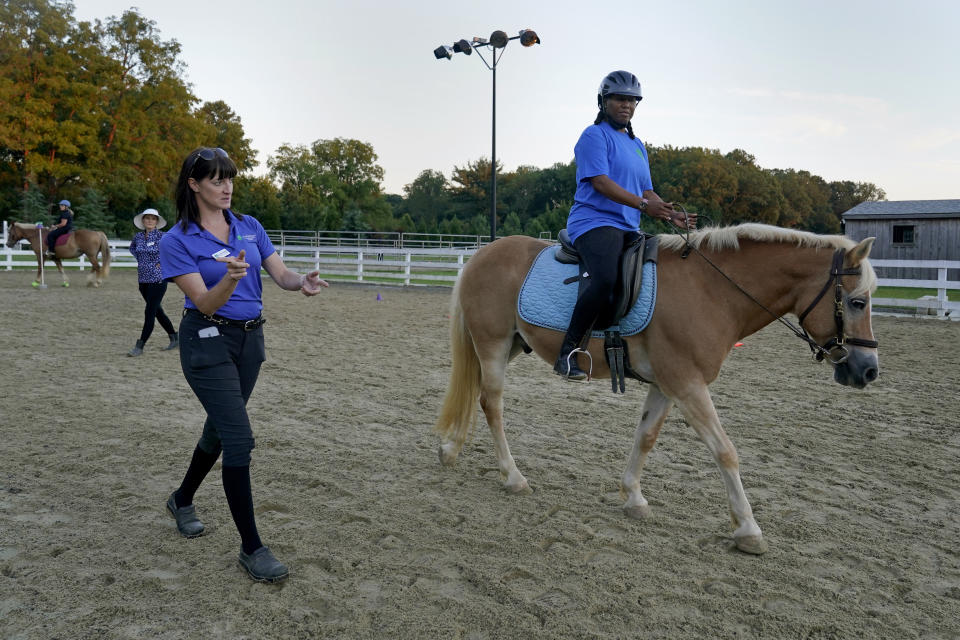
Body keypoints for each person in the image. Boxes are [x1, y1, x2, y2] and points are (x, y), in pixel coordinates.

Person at [159, 146, 329, 583]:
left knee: (218, 429)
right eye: (216, 180)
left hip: (250, 341)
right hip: (206, 341)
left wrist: (300, 283)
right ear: (194, 185)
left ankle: (181, 499)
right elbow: (203, 301)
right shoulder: (176, 240)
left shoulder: (249, 227)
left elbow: (281, 274)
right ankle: (252, 548)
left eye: (230, 178)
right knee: (239, 439)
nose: (227, 187)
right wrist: (230, 281)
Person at [555, 70, 697, 380]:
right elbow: (602, 183)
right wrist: (646, 206)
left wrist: (669, 213)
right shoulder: (594, 136)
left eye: (633, 100)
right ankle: (567, 353)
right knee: (604, 279)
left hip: (628, 226)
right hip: (594, 222)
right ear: (604, 102)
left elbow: (646, 190)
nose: (627, 105)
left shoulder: (637, 145)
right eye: (620, 99)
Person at [127, 208, 178, 356]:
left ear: (157, 221)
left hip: (158, 279)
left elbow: (173, 252)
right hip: (143, 279)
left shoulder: (163, 236)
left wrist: (162, 262)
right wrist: (143, 263)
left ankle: (140, 346)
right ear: (143, 221)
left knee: (149, 312)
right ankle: (175, 337)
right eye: (147, 218)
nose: (150, 220)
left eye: (153, 218)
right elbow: (133, 249)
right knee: (157, 311)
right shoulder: (138, 237)